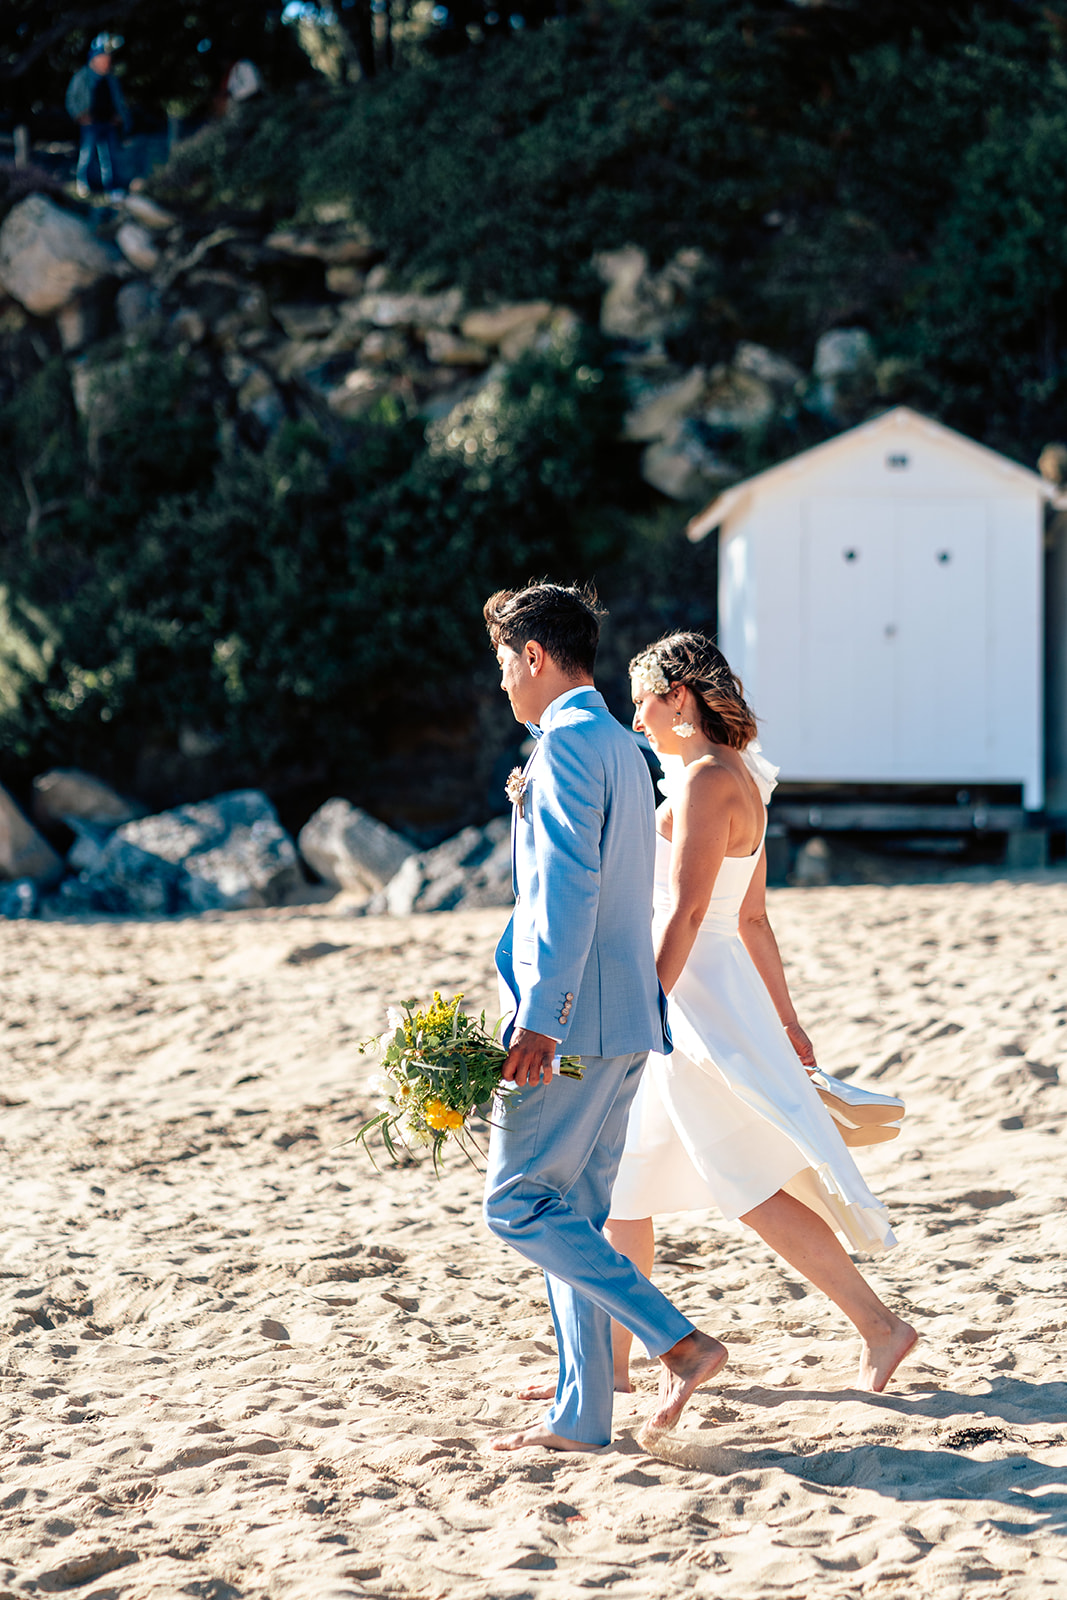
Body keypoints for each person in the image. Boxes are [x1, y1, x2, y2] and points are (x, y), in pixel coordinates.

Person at [603, 632, 918, 1395]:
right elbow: (752, 920)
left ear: (677, 697)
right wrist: (786, 1017)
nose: (636, 718)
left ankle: (881, 1327)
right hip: (715, 988)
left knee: (736, 1180)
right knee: (624, 1185)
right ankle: (606, 1365)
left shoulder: (707, 782)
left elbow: (684, 915)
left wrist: (644, 1007)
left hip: (688, 999)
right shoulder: (734, 774)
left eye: (642, 700)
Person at [482, 585, 729, 1452]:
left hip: (574, 1022)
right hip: (628, 1014)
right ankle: (580, 1417)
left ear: (536, 656)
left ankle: (679, 1342)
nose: (503, 680)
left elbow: (567, 894)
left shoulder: (567, 747)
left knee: (513, 1203)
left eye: (506, 661)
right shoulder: (622, 746)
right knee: (572, 1218)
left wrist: (540, 1020)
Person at [66, 35, 129, 199]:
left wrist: (120, 116)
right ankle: (82, 184)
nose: (106, 62)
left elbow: (118, 100)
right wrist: (79, 115)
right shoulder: (82, 76)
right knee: (86, 154)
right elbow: (71, 99)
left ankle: (112, 188)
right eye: (103, 58)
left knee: (110, 157)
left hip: (108, 123)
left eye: (108, 59)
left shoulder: (111, 79)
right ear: (95, 59)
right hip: (90, 123)